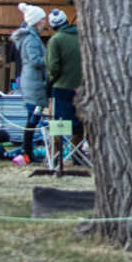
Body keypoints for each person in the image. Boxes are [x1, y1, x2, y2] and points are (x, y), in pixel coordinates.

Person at [11, 3, 50, 162]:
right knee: (33, 118)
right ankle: (27, 151)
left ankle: (27, 151)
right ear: (36, 21)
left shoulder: (30, 38)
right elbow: (35, 61)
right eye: (42, 20)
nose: (44, 23)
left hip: (32, 82)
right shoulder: (31, 40)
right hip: (33, 83)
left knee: (33, 117)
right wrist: (50, 59)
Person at [45, 8, 83, 155]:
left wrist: (48, 84)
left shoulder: (55, 40)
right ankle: (77, 155)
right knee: (79, 125)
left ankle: (55, 156)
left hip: (61, 89)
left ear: (53, 26)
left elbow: (53, 68)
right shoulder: (83, 37)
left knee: (58, 125)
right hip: (82, 89)